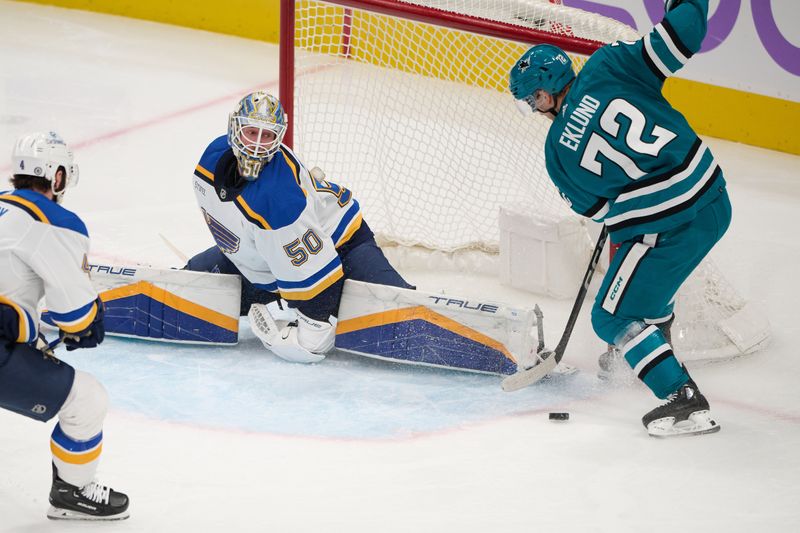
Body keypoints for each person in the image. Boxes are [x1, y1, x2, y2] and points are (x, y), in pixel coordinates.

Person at [509, 0, 728, 437]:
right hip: (714, 200)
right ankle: (649, 348)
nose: (534, 108)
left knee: (609, 316)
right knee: (646, 285)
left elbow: (606, 215)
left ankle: (681, 398)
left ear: (547, 88)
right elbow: (682, 35)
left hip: (667, 225)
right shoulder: (608, 64)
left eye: (532, 98)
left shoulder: (556, 153)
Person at [187, 90, 413, 363]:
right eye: (251, 132)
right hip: (268, 256)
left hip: (342, 244)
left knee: (402, 315)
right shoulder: (212, 157)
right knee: (192, 285)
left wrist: (302, 338)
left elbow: (317, 322)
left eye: (267, 136)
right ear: (234, 129)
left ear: (278, 138)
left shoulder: (278, 201)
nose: (257, 145)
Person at [0, 131, 130, 519]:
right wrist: (88, 321)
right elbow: (75, 314)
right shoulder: (52, 219)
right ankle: (72, 493)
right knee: (86, 400)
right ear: (57, 177)